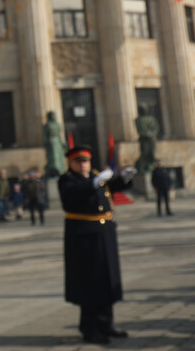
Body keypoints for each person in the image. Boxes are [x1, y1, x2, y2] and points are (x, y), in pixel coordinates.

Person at [58, 146, 135, 345]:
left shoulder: (95, 177)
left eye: (86, 161)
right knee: (90, 282)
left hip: (104, 232)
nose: (83, 165)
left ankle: (106, 324)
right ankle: (90, 328)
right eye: (79, 161)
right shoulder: (67, 180)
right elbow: (72, 198)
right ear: (71, 163)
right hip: (84, 236)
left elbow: (113, 187)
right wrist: (94, 182)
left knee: (107, 278)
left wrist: (125, 178)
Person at [134, 107, 159, 174]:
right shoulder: (138, 120)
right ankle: (141, 167)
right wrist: (146, 134)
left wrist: (151, 134)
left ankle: (150, 167)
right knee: (144, 153)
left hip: (152, 138)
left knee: (151, 154)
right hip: (144, 139)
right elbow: (140, 130)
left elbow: (155, 128)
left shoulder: (152, 119)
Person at [43, 111, 66, 177]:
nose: (53, 116)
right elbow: (45, 136)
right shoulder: (47, 125)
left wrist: (62, 143)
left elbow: (59, 135)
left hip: (58, 142)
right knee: (53, 158)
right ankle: (54, 171)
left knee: (59, 157)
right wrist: (46, 143)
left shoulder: (57, 124)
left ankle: (60, 170)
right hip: (51, 142)